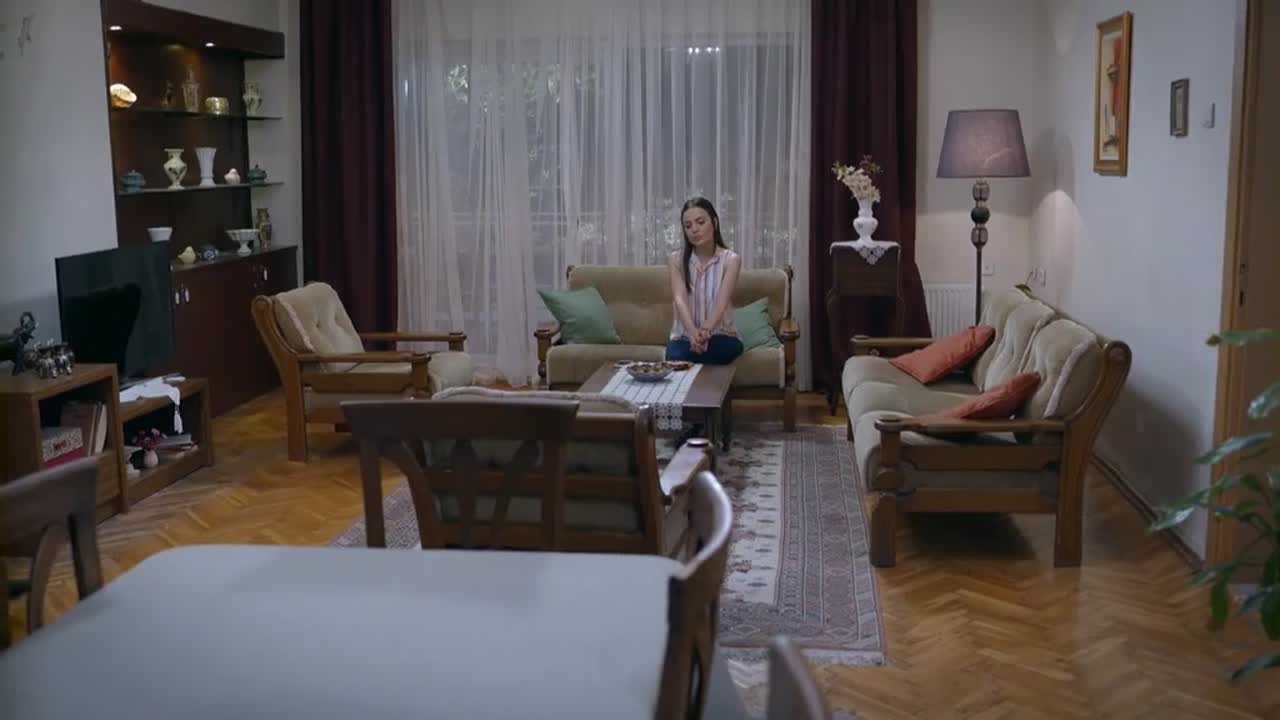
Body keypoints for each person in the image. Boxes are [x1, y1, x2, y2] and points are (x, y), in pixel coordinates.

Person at [666, 197, 744, 365]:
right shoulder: (676, 260)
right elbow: (679, 300)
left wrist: (706, 331)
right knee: (674, 354)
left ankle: (693, 363)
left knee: (730, 348)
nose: (694, 230)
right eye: (688, 226)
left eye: (700, 222)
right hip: (685, 337)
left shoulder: (731, 260)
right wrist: (693, 334)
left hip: (720, 336)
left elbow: (721, 302)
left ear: (714, 223)